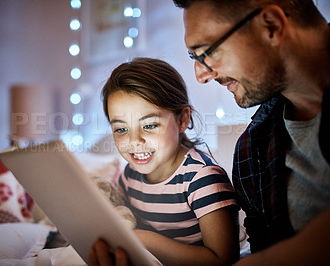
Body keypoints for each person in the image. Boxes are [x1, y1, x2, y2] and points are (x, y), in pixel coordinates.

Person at [172, 0, 330, 264]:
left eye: (206, 52)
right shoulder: (251, 152)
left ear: (271, 25)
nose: (201, 75)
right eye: (194, 58)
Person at [89, 57, 240, 265]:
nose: (134, 141)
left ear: (182, 120)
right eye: (121, 129)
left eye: (149, 125)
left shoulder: (203, 179)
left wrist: (145, 241)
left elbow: (223, 258)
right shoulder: (129, 176)